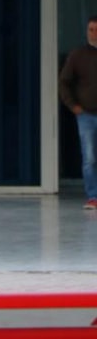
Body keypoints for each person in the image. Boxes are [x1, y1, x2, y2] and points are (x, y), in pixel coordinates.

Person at [59, 15, 97, 210]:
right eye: (91, 29)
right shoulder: (77, 55)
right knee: (89, 157)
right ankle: (93, 197)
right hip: (86, 116)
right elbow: (64, 82)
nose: (94, 33)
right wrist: (73, 106)